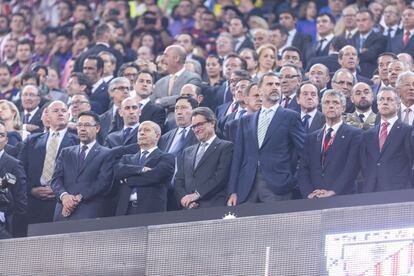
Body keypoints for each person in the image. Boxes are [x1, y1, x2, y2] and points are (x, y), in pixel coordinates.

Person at [227, 72, 305, 206]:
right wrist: (232, 190)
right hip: (246, 188)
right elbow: (237, 158)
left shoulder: (291, 117)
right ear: (260, 90)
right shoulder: (245, 120)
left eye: (277, 84)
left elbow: (304, 152)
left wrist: (292, 180)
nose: (275, 87)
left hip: (279, 187)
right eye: (270, 84)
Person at [19, 101, 79, 224]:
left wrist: (60, 191)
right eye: (56, 111)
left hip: (64, 203)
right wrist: (31, 190)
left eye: (63, 111)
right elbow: (20, 169)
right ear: (47, 117)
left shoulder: (78, 142)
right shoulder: (32, 140)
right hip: (33, 201)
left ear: (69, 115)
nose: (60, 113)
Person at [298, 90, 362, 199]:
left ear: (343, 108)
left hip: (343, 197)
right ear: (322, 108)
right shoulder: (312, 138)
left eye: (335, 103)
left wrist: (333, 191)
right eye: (327, 102)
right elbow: (303, 169)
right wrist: (309, 193)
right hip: (315, 198)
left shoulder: (355, 134)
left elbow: (351, 168)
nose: (331, 105)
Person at [51, 111, 114, 221]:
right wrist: (64, 196)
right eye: (79, 125)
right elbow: (56, 179)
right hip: (62, 211)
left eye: (87, 125)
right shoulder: (65, 152)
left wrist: (78, 198)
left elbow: (103, 183)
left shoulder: (106, 153)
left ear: (97, 128)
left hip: (89, 211)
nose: (82, 129)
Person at [175, 107, 233, 209]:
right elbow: (179, 179)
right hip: (189, 209)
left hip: (213, 206)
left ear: (212, 123)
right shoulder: (187, 152)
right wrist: (186, 199)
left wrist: (196, 195)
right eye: (194, 126)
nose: (196, 129)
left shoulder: (226, 147)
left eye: (200, 124)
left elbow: (220, 177)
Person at [359, 87, 414, 193]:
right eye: (381, 99)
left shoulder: (408, 131)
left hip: (399, 189)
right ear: (378, 105)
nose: (385, 102)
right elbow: (364, 163)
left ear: (398, 105)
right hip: (371, 189)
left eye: (389, 99)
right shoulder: (367, 135)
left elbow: (410, 159)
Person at [114, 121, 175, 215]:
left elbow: (155, 176)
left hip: (151, 210)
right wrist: (141, 169)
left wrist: (128, 180)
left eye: (146, 130)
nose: (141, 133)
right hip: (125, 210)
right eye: (139, 131)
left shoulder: (166, 157)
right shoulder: (127, 158)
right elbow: (117, 171)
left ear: (157, 136)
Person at [152, 45, 201, 116]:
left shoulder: (193, 78)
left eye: (166, 55)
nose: (162, 60)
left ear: (176, 58)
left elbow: (188, 99)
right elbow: (153, 103)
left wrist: (161, 101)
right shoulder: (159, 82)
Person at [0, 122, 26, 238]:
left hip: (4, 227)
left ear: (6, 140)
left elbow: (20, 201)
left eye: (0, 135)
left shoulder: (14, 165)